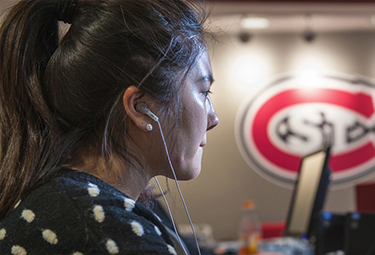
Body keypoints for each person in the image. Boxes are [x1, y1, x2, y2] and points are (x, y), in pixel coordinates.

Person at [0, 0, 219, 254]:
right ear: (140, 108)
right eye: (204, 92)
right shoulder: (107, 233)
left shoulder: (60, 203)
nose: (213, 118)